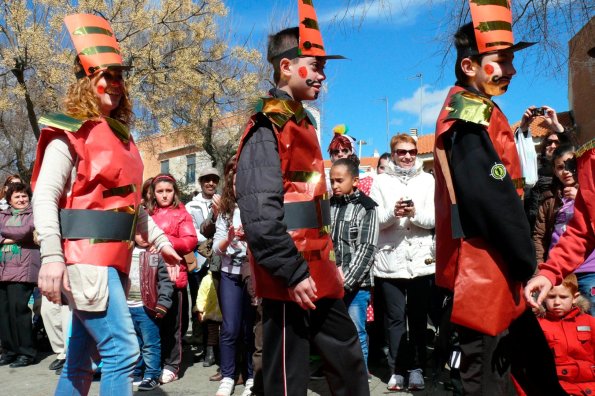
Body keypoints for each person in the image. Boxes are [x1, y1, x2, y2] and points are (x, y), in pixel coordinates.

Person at [31, 14, 181, 395]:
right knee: (122, 350)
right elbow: (45, 195)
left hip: (113, 262)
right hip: (85, 260)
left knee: (80, 358)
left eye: (119, 76)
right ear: (85, 79)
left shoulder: (123, 139)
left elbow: (133, 207)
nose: (115, 84)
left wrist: (163, 245)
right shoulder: (68, 131)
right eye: (105, 75)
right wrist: (51, 256)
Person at [235, 2, 369, 394]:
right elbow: (260, 213)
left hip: (319, 271)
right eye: (317, 66)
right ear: (286, 67)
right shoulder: (265, 127)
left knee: (347, 359)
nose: (323, 77)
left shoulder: (303, 122)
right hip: (288, 276)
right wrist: (292, 272)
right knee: (285, 377)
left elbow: (312, 207)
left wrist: (328, 266)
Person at [432, 3, 566, 394]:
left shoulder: (485, 112)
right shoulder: (469, 116)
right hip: (484, 274)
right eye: (501, 61)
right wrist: (529, 265)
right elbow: (492, 201)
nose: (511, 70)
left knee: (532, 370)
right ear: (470, 66)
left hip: (499, 269)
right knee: (489, 381)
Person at [369, 133, 435, 391]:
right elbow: (374, 221)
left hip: (421, 261)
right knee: (394, 319)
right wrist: (393, 213)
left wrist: (415, 214)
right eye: (401, 152)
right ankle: (396, 369)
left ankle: (418, 368)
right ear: (393, 154)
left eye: (411, 152)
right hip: (390, 261)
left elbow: (434, 221)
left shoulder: (428, 180)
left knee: (418, 318)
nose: (407, 156)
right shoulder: (380, 182)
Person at [145, 173, 198, 384]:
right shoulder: (147, 213)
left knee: (173, 326)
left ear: (174, 192)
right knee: (152, 324)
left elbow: (189, 241)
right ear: (153, 193)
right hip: (150, 276)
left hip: (174, 274)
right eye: (160, 191)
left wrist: (162, 241)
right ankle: (154, 363)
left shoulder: (181, 213)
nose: (165, 195)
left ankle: (172, 365)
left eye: (168, 191)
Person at [329, 156, 379, 377]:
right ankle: (340, 376)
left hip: (356, 286)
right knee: (334, 334)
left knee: (356, 332)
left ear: (355, 181)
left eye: (339, 180)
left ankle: (359, 378)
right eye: (332, 181)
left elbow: (366, 249)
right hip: (330, 285)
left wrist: (345, 282)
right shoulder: (328, 206)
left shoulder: (367, 208)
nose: (334, 185)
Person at [213, 156, 255, 396]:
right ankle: (228, 376)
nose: (240, 187)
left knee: (250, 327)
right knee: (229, 328)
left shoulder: (257, 208)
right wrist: (229, 238)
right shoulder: (226, 211)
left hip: (252, 276)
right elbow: (217, 247)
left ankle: (250, 376)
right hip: (229, 274)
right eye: (236, 183)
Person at [127, 178, 175, 391]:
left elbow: (166, 282)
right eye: (139, 232)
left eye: (147, 231)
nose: (144, 236)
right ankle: (136, 372)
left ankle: (152, 374)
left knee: (151, 344)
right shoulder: (126, 253)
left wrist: (163, 303)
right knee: (133, 343)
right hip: (128, 307)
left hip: (148, 308)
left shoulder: (156, 255)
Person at [535, 274, 595, 395]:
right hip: (555, 388)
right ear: (543, 297)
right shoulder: (537, 325)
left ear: (574, 297)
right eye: (551, 296)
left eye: (563, 297)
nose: (557, 302)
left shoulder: (589, 322)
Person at [0, 183, 39, 368]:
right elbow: (20, 234)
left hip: (23, 269)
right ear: (9, 200)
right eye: (17, 197)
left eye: (24, 196)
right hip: (3, 269)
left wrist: (4, 235)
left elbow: (25, 231)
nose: (22, 200)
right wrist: (11, 238)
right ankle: (9, 351)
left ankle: (26, 352)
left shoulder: (35, 213)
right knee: (4, 313)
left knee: (19, 311)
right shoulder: (3, 214)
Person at [185, 167, 221, 346]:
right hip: (199, 259)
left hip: (219, 258)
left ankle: (213, 343)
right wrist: (210, 241)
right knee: (198, 299)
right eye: (207, 180)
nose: (211, 183)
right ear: (200, 183)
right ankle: (199, 338)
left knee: (215, 301)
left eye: (214, 180)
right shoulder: (191, 206)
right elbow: (191, 232)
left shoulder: (224, 201)